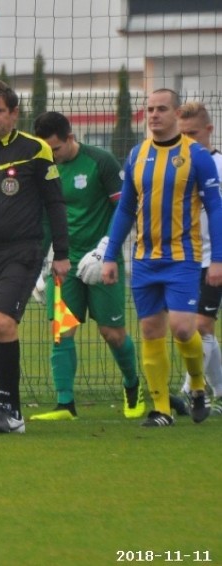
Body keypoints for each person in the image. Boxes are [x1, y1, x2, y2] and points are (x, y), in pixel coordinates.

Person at [0, 79, 70, 434]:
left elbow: (55, 203)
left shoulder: (35, 150)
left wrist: (61, 254)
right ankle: (6, 407)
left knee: (4, 324)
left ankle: (10, 409)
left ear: (14, 113)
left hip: (22, 250)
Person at [102, 88, 222, 427]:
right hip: (144, 260)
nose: (153, 115)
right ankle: (161, 410)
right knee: (151, 331)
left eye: (161, 109)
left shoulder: (196, 155)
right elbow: (125, 208)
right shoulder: (137, 154)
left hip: (183, 258)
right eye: (150, 109)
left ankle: (198, 385)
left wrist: (219, 260)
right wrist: (111, 255)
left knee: (184, 328)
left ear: (175, 112)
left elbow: (215, 207)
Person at [30, 111, 144, 420]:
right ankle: (65, 404)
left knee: (112, 333)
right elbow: (45, 219)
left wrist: (107, 250)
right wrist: (36, 266)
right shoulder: (44, 168)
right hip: (64, 263)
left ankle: (133, 386)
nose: (50, 155)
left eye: (54, 148)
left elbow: (125, 209)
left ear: (70, 138)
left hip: (102, 260)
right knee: (61, 330)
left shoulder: (101, 161)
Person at [177, 101, 222, 416]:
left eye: (193, 134)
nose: (187, 141)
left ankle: (188, 392)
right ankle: (218, 389)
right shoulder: (177, 165)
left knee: (201, 325)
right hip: (185, 257)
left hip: (215, 258)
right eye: (182, 135)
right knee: (196, 328)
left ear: (209, 130)